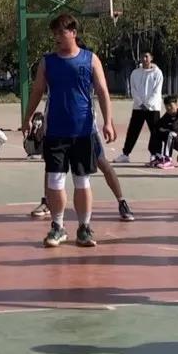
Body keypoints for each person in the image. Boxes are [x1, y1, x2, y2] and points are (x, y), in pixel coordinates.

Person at [22, 14, 116, 248]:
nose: (56, 37)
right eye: (54, 33)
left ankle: (84, 228)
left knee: (82, 181)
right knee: (55, 180)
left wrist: (108, 122)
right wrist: (27, 117)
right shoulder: (48, 62)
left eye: (61, 32)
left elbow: (102, 91)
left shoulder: (90, 59)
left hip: (83, 131)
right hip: (55, 132)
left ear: (73, 33)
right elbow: (37, 91)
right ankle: (57, 226)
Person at [114, 52, 164, 163]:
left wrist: (148, 104)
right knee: (133, 130)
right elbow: (134, 90)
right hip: (138, 107)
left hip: (153, 108)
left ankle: (155, 154)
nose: (144, 59)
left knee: (155, 131)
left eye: (146, 56)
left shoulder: (158, 73)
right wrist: (140, 103)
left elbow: (157, 91)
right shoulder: (135, 73)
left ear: (151, 58)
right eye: (142, 56)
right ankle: (125, 154)